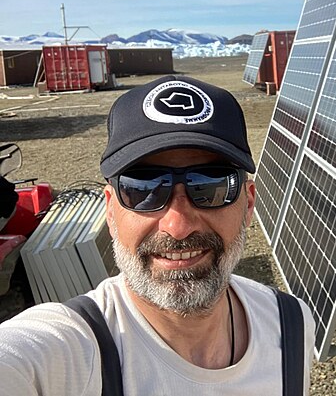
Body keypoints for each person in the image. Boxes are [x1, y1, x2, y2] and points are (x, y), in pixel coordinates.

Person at [0, 75, 315, 395]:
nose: (178, 226)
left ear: (247, 204)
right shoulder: (68, 355)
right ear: (111, 212)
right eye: (142, 189)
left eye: (210, 186)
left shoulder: (291, 326)